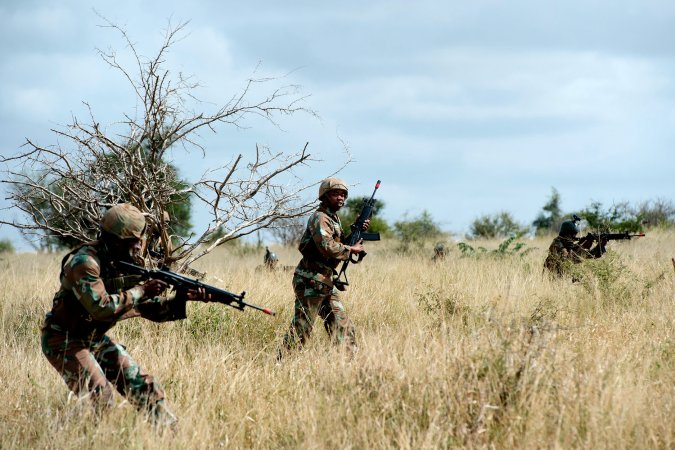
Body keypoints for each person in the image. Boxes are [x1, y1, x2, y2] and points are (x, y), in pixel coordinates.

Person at [41, 204, 207, 427]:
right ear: (113, 239)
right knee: (99, 396)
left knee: (140, 385)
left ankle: (170, 434)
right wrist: (142, 290)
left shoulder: (123, 263)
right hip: (64, 339)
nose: (138, 246)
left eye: (139, 240)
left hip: (94, 338)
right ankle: (60, 435)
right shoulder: (85, 263)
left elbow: (148, 308)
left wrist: (181, 300)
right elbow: (102, 307)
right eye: (133, 241)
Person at [279, 177, 369, 357]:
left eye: (343, 195)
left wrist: (357, 231)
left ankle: (348, 363)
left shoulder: (333, 219)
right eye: (336, 194)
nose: (341, 198)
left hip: (324, 281)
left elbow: (337, 244)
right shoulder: (320, 218)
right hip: (310, 280)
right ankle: (282, 363)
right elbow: (327, 246)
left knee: (341, 324)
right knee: (302, 327)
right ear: (325, 196)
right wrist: (351, 249)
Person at [543, 218, 608, 278]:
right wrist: (582, 246)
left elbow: (587, 255)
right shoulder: (558, 245)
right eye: (574, 234)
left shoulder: (564, 243)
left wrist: (600, 246)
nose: (575, 236)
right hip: (558, 280)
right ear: (568, 234)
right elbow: (572, 259)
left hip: (562, 279)